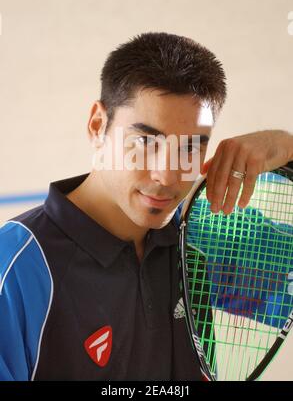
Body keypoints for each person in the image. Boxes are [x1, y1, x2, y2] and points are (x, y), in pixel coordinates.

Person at [0, 32, 292, 381]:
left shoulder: (204, 237)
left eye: (189, 148)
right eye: (146, 141)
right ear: (97, 126)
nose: (166, 175)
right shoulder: (15, 265)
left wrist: (287, 147)